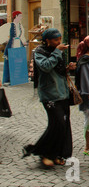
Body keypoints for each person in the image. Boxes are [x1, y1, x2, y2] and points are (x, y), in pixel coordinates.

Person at [22, 28, 76, 167]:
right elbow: (45, 67)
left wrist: (68, 68)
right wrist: (58, 51)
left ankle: (58, 154)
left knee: (64, 125)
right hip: (49, 94)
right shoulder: (40, 52)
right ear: (47, 40)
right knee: (56, 124)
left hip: (62, 93)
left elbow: (58, 71)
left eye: (59, 38)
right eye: (55, 39)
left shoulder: (56, 52)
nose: (59, 42)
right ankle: (44, 153)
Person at [0, 11, 28, 84]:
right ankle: (8, 79)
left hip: (19, 45)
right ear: (15, 16)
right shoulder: (9, 25)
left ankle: (19, 78)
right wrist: (6, 40)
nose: (21, 18)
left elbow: (22, 36)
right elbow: (2, 33)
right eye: (20, 16)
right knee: (10, 62)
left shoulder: (20, 26)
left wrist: (24, 42)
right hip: (12, 45)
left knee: (19, 61)